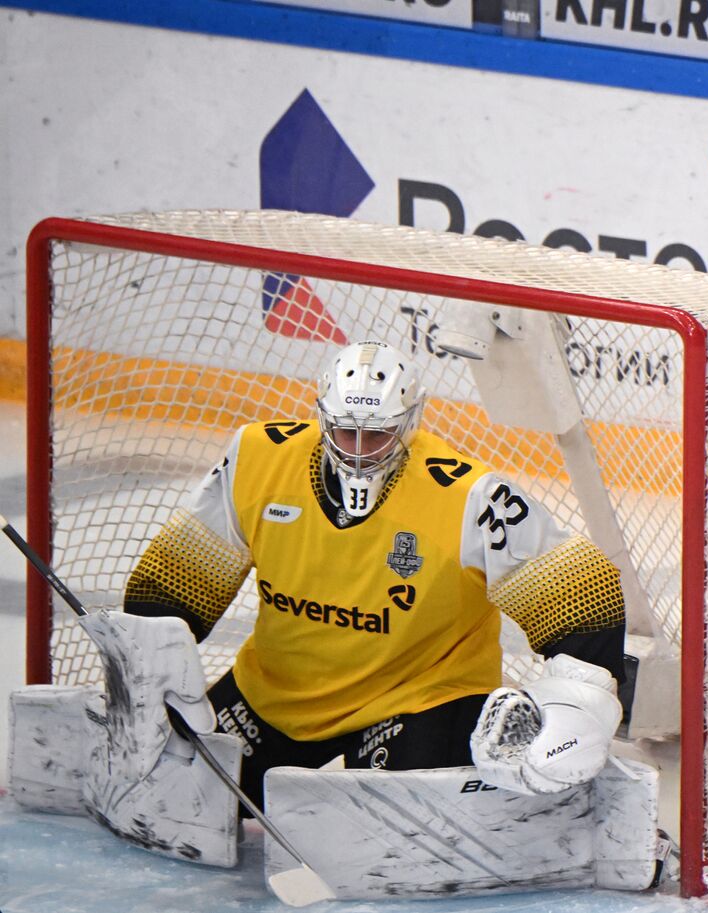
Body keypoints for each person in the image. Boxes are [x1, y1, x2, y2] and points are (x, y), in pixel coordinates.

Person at [122, 339, 630, 809]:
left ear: (410, 421)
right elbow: (182, 572)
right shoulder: (258, 457)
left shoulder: (467, 495)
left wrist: (578, 701)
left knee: (409, 820)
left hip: (415, 698)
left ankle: (513, 756)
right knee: (175, 798)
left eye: (379, 434)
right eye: (346, 432)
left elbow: (580, 587)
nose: (360, 450)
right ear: (322, 416)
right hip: (277, 693)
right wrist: (156, 658)